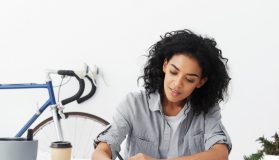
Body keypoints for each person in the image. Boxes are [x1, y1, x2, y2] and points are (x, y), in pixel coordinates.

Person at [92, 29, 232, 160]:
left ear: (201, 82)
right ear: (165, 65)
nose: (177, 84)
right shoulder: (134, 104)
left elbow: (220, 153)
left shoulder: (207, 109)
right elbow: (102, 149)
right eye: (173, 72)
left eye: (189, 79)